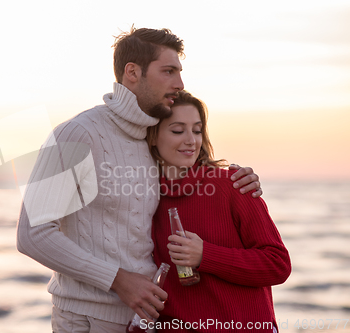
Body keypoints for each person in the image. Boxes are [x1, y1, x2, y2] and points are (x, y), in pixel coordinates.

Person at [16, 27, 262, 333]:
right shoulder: (77, 134)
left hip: (145, 320)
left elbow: (191, 171)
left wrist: (241, 179)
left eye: (180, 72)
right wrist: (118, 280)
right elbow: (32, 234)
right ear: (133, 72)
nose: (180, 83)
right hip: (87, 319)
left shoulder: (150, 137)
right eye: (169, 71)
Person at [147, 91, 291, 333]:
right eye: (177, 130)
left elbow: (278, 264)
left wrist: (206, 255)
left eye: (197, 130)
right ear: (153, 136)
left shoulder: (232, 185)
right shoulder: (144, 200)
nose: (191, 140)